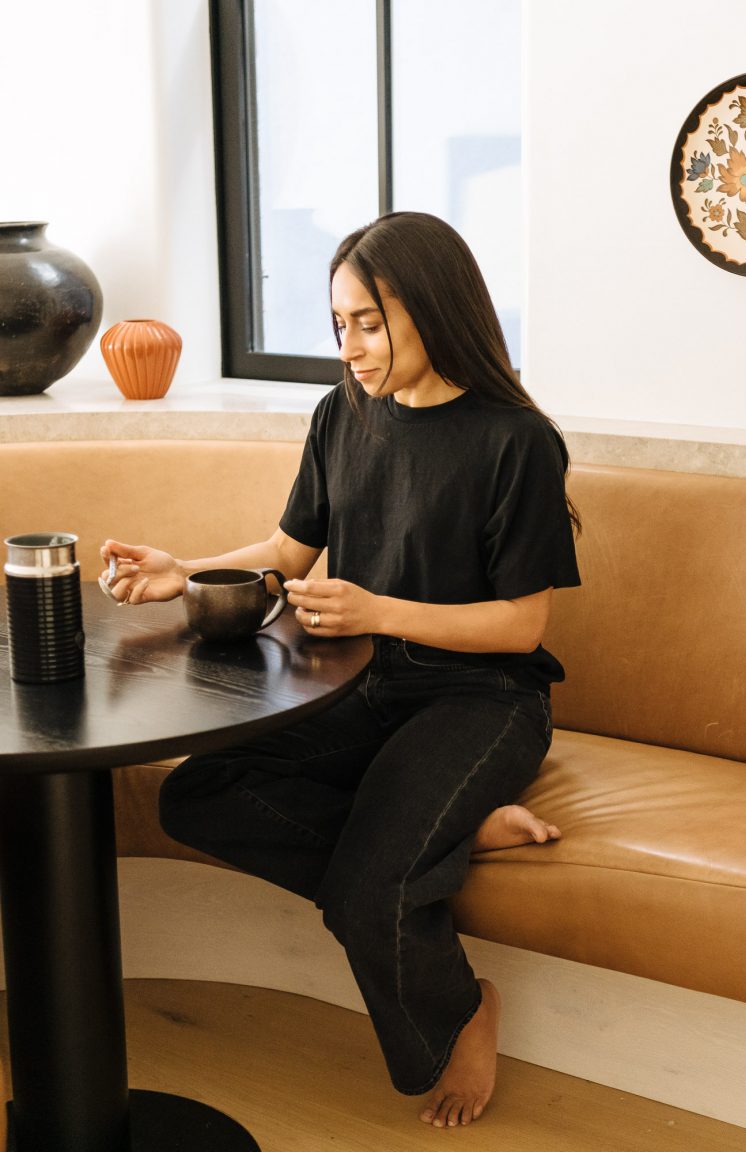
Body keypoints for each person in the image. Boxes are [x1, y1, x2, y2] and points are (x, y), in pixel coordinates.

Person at [101, 211, 580, 1129]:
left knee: (369, 895)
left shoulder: (515, 440)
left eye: (369, 321)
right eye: (339, 324)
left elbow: (523, 627)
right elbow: (290, 548)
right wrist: (181, 574)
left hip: (479, 699)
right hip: (358, 686)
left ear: (434, 308)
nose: (351, 346)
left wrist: (378, 611)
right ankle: (449, 838)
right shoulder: (342, 413)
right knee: (196, 795)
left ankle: (462, 1007)